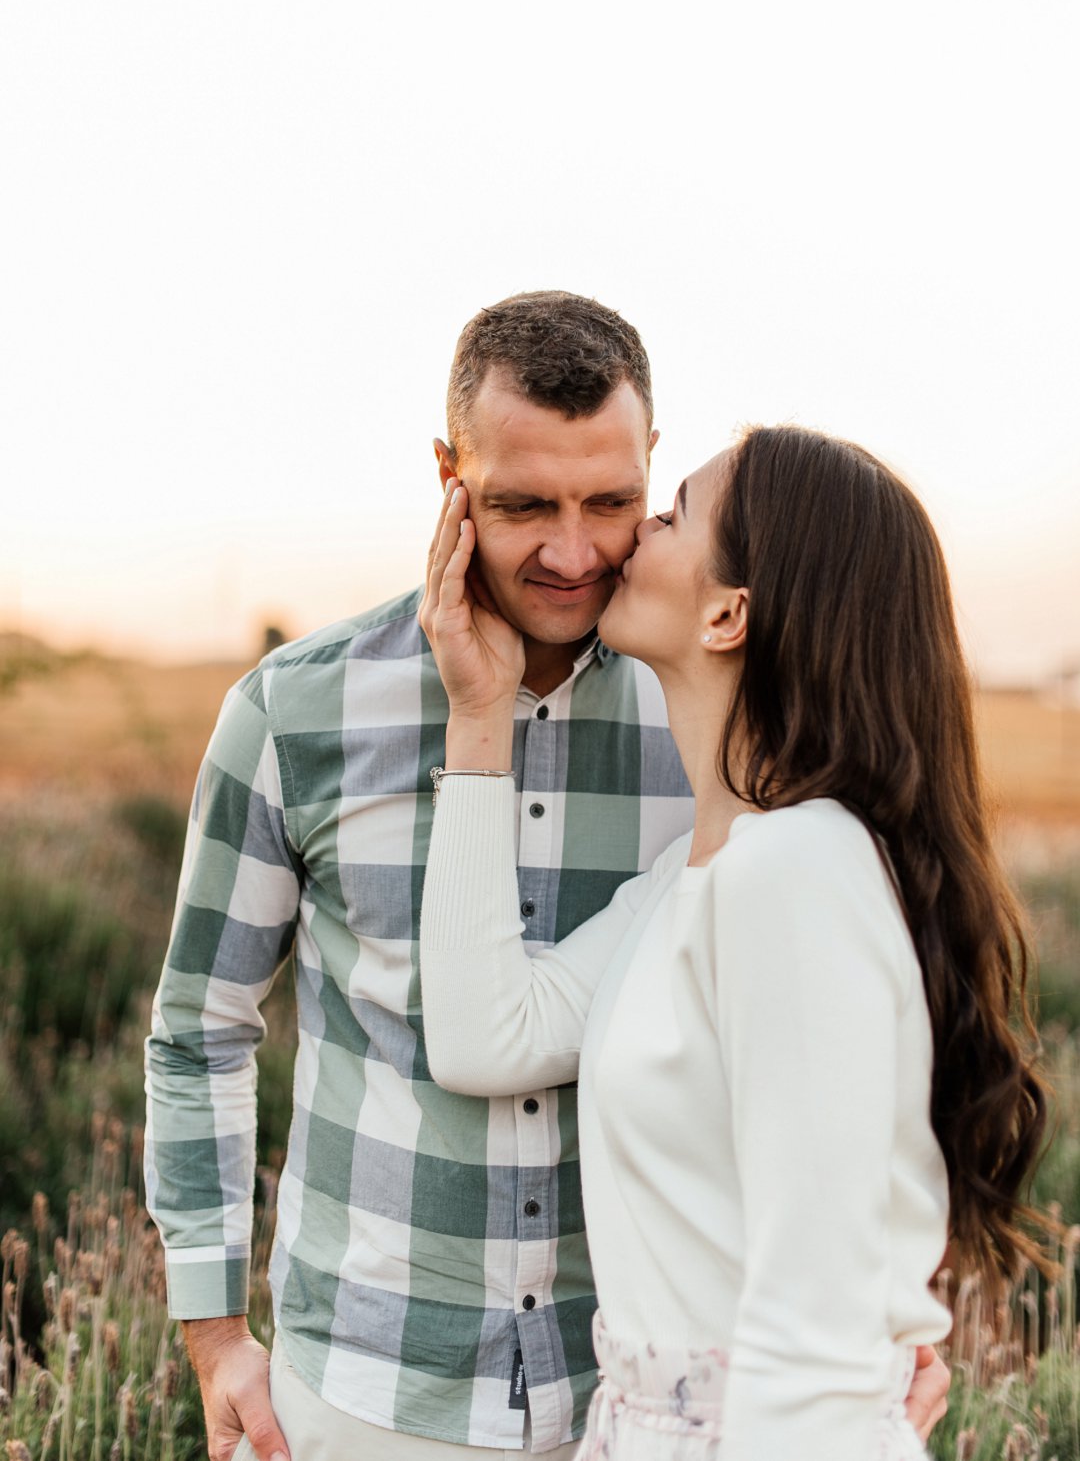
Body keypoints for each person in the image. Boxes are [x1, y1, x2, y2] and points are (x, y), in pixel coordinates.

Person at [144, 293, 949, 1461]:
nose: (574, 553)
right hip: (369, 1393)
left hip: (631, 1395)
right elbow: (201, 1027)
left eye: (619, 505)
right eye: (524, 505)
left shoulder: (731, 764)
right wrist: (216, 1335)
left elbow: (838, 1065)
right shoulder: (294, 710)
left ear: (652, 469)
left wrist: (863, 1347)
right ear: (448, 473)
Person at [418, 425, 1048, 1461]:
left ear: (727, 614)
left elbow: (811, 1334)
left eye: (669, 516)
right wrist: (480, 712)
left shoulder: (792, 873)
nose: (623, 543)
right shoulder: (697, 878)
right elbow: (487, 1036)